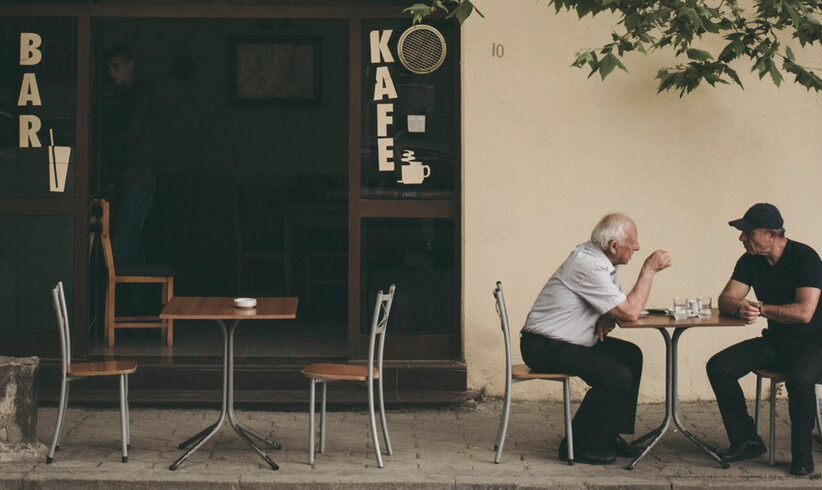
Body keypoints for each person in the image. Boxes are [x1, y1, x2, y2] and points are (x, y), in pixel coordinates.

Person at [520, 213, 672, 465]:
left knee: (630, 356)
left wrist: (606, 314)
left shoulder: (600, 261)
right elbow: (630, 312)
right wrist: (649, 269)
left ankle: (606, 434)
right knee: (616, 376)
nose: (637, 247)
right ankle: (579, 445)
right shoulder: (588, 264)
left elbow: (617, 305)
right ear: (613, 246)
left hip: (568, 341)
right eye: (632, 241)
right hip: (544, 346)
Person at [707, 203, 822, 476]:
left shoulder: (805, 258)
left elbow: (805, 312)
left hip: (815, 343)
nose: (742, 238)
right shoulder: (749, 261)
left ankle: (802, 454)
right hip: (777, 342)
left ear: (772, 234)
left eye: (748, 232)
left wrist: (761, 309)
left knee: (799, 379)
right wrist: (738, 307)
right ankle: (746, 440)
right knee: (719, 366)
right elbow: (726, 298)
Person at [104, 44, 157, 266]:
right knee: (131, 245)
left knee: (122, 245)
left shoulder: (140, 93)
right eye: (109, 68)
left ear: (130, 66)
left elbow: (128, 134)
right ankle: (139, 300)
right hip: (129, 179)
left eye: (116, 67)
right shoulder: (126, 96)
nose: (111, 73)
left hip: (137, 180)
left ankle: (125, 300)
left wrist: (102, 137)